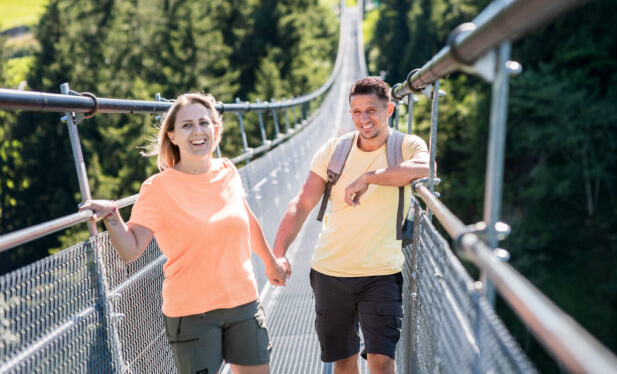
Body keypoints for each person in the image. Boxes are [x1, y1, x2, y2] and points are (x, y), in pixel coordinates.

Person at [81, 92, 287, 374]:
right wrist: (112, 216)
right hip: (192, 314)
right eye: (187, 125)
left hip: (243, 303)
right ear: (173, 136)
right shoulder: (158, 188)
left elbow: (248, 221)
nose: (197, 131)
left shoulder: (227, 170)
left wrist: (271, 263)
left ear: (216, 129)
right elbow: (131, 250)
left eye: (204, 122)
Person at [272, 77, 430, 374]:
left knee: (381, 362)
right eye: (357, 112)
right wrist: (278, 253)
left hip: (381, 274)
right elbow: (302, 203)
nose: (364, 119)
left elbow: (425, 167)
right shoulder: (334, 151)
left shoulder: (406, 145)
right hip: (330, 272)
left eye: (371, 110)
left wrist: (369, 177)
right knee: (343, 361)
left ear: (389, 109)